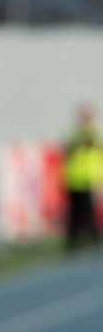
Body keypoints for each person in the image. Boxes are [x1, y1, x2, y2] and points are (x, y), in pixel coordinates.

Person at [62, 106, 103, 250]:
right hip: (74, 178)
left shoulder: (94, 132)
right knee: (74, 213)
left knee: (87, 211)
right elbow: (67, 148)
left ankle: (93, 239)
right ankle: (72, 242)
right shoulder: (74, 133)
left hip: (88, 178)